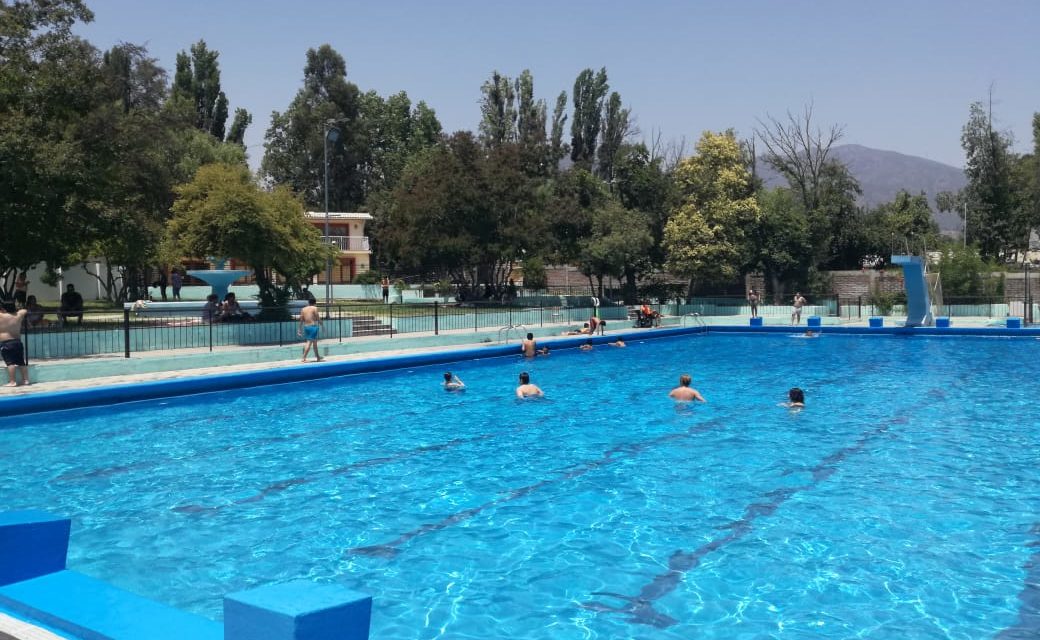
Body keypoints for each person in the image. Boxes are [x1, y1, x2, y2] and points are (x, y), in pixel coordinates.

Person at [0, 303, 29, 386]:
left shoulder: (1, 316)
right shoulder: (18, 315)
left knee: (10, 363)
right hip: (17, 342)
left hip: (6, 343)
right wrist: (18, 309)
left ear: (4, 309)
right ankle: (26, 380)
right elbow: (25, 310)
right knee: (21, 362)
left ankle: (12, 382)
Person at [298, 297, 323, 362]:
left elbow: (301, 320)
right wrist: (322, 325)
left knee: (314, 343)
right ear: (315, 303)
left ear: (308, 302)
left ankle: (318, 357)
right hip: (313, 327)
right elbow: (318, 317)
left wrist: (299, 329)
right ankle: (303, 358)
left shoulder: (303, 309)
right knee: (309, 342)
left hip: (306, 327)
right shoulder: (315, 308)